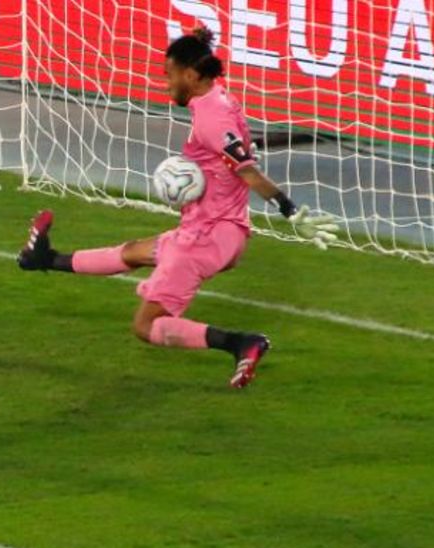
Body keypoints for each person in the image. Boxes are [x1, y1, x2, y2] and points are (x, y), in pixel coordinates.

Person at [17, 26, 338, 388]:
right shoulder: (219, 101)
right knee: (134, 252)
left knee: (145, 325)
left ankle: (241, 343)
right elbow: (237, 152)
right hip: (217, 231)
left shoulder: (210, 118)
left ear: (190, 75)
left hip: (207, 236)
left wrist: (291, 211)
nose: (166, 84)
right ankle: (44, 258)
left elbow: (247, 172)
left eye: (170, 76)